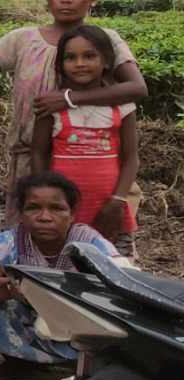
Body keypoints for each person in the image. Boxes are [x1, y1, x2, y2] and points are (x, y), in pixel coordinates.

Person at [0, 0, 148, 219]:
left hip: (94, 162)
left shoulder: (106, 39)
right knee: (38, 234)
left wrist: (70, 98)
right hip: (32, 163)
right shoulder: (22, 40)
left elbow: (137, 87)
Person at [0, 172, 118, 370]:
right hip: (30, 320)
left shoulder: (89, 242)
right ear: (21, 214)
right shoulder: (11, 240)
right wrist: (11, 289)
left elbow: (121, 282)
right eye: (33, 208)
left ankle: (81, 363)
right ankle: (19, 362)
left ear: (72, 214)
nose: (44, 217)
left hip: (78, 323)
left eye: (57, 209)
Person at [35, 25, 139, 251]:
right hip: (63, 210)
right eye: (70, 57)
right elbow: (38, 154)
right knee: (63, 262)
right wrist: (46, 201)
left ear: (107, 61)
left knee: (111, 263)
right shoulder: (51, 106)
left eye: (89, 56)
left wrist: (118, 201)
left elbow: (131, 158)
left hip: (109, 207)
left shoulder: (122, 107)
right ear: (60, 64)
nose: (80, 63)